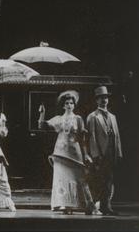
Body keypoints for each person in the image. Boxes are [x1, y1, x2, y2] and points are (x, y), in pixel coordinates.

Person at [38, 90, 94, 215]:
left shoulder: (78, 119)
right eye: (67, 103)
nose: (69, 105)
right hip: (60, 153)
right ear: (63, 105)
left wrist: (86, 154)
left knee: (79, 178)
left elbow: (82, 138)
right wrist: (42, 113)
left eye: (71, 103)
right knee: (61, 178)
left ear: (74, 105)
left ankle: (85, 205)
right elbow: (42, 126)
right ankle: (65, 205)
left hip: (75, 152)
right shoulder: (58, 119)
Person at [86, 86, 123, 215]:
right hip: (100, 154)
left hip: (111, 153)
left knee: (109, 180)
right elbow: (92, 137)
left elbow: (117, 136)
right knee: (98, 180)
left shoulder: (113, 117)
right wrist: (95, 155)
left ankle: (106, 206)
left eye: (106, 97)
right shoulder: (93, 116)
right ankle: (93, 206)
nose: (104, 100)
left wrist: (118, 153)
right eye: (101, 98)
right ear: (96, 100)